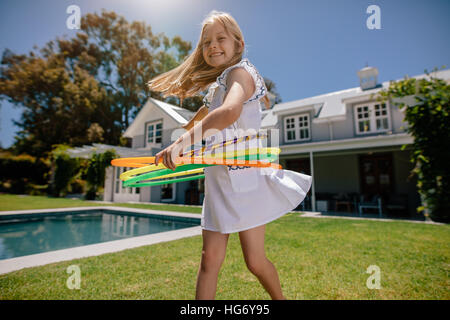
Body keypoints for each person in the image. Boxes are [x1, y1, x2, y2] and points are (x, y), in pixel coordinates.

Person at [147, 10, 312, 300]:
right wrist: (176, 146)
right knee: (209, 260)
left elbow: (230, 112)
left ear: (239, 44)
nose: (212, 46)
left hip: (245, 180)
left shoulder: (240, 73)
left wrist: (183, 142)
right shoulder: (217, 86)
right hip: (218, 182)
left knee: (255, 262)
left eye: (220, 38)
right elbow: (204, 118)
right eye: (206, 42)